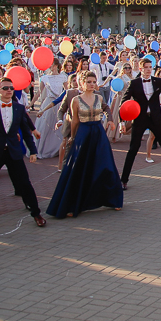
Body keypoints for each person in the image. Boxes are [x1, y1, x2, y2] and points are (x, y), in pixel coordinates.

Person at [0, 77, 47, 235]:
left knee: (25, 184)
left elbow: (26, 131)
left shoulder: (18, 108)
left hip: (13, 152)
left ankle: (37, 214)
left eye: (11, 88)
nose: (9, 90)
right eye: (5, 88)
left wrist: (32, 151)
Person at [46, 72, 123, 218]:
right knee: (79, 168)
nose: (92, 84)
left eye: (94, 82)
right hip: (83, 133)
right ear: (82, 83)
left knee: (106, 165)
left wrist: (111, 120)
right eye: (88, 82)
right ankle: (73, 204)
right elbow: (75, 120)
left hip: (98, 133)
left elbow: (106, 109)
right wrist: (73, 137)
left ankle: (113, 199)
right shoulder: (75, 100)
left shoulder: (99, 97)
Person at [118, 58, 161, 188]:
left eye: (150, 67)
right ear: (141, 68)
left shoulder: (158, 81)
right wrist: (121, 121)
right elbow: (124, 102)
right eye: (146, 67)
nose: (149, 69)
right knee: (133, 148)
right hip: (140, 119)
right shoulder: (134, 83)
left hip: (155, 118)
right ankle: (124, 179)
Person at [33, 59, 68, 159]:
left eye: (52, 64)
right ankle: (42, 149)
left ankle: (60, 148)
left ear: (56, 65)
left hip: (60, 103)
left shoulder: (63, 77)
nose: (50, 66)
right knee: (45, 126)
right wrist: (31, 103)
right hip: (49, 103)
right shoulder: (44, 78)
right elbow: (39, 93)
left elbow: (67, 91)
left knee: (61, 125)